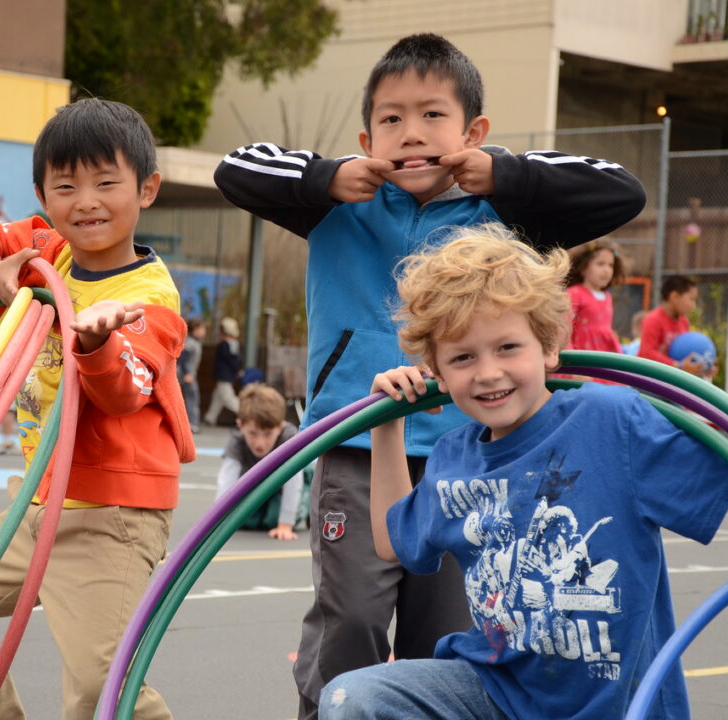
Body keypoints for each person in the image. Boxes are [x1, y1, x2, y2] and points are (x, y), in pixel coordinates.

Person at [214, 31, 646, 718]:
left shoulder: (505, 212)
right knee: (351, 616)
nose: (409, 134)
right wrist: (326, 177)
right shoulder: (334, 203)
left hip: (471, 457)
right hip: (359, 446)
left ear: (472, 130)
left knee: (445, 635)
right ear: (367, 135)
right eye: (390, 119)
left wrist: (501, 174)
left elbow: (620, 190)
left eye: (431, 116)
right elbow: (235, 169)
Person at [320, 223, 728, 720]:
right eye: (462, 357)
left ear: (548, 345)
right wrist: (387, 425)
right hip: (496, 693)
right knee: (355, 699)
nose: (488, 372)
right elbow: (394, 542)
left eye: (507, 348)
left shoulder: (610, 420)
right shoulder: (455, 457)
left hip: (616, 704)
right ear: (435, 368)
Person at [0, 98, 195, 720]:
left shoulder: (150, 296)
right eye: (65, 186)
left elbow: (126, 390)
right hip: (38, 502)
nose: (85, 201)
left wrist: (95, 342)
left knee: (98, 688)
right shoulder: (46, 250)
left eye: (105, 183)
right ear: (43, 194)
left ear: (147, 190)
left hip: (112, 514)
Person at [215, 383, 306, 541]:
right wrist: (217, 522)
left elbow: (294, 482)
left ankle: (305, 509)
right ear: (240, 426)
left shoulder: (288, 437)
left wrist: (286, 523)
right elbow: (226, 480)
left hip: (281, 488)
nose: (260, 443)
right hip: (256, 488)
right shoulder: (236, 439)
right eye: (252, 433)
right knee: (245, 520)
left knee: (273, 518)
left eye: (267, 434)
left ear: (280, 427)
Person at [566, 239, 624, 352]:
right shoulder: (575, 293)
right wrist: (569, 353)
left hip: (604, 354)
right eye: (600, 264)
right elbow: (565, 326)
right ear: (583, 267)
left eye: (610, 265)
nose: (606, 270)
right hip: (582, 355)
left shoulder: (607, 297)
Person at [638, 275, 702, 373]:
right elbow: (646, 353)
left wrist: (702, 366)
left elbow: (685, 352)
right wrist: (677, 365)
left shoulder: (684, 322)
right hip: (647, 377)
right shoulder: (653, 319)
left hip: (670, 376)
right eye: (691, 299)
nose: (693, 305)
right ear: (675, 297)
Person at [203, 316, 242, 425]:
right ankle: (210, 417)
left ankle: (245, 413)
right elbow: (235, 360)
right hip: (227, 375)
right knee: (218, 397)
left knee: (228, 398)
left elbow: (231, 361)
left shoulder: (224, 345)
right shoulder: (233, 344)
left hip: (225, 376)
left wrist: (236, 370)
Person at [179, 316, 206, 433]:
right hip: (185, 375)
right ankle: (192, 423)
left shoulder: (194, 342)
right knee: (192, 398)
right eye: (202, 328)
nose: (204, 331)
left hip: (188, 375)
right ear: (195, 329)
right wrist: (188, 373)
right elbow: (182, 358)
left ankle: (191, 422)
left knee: (191, 397)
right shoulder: (190, 343)